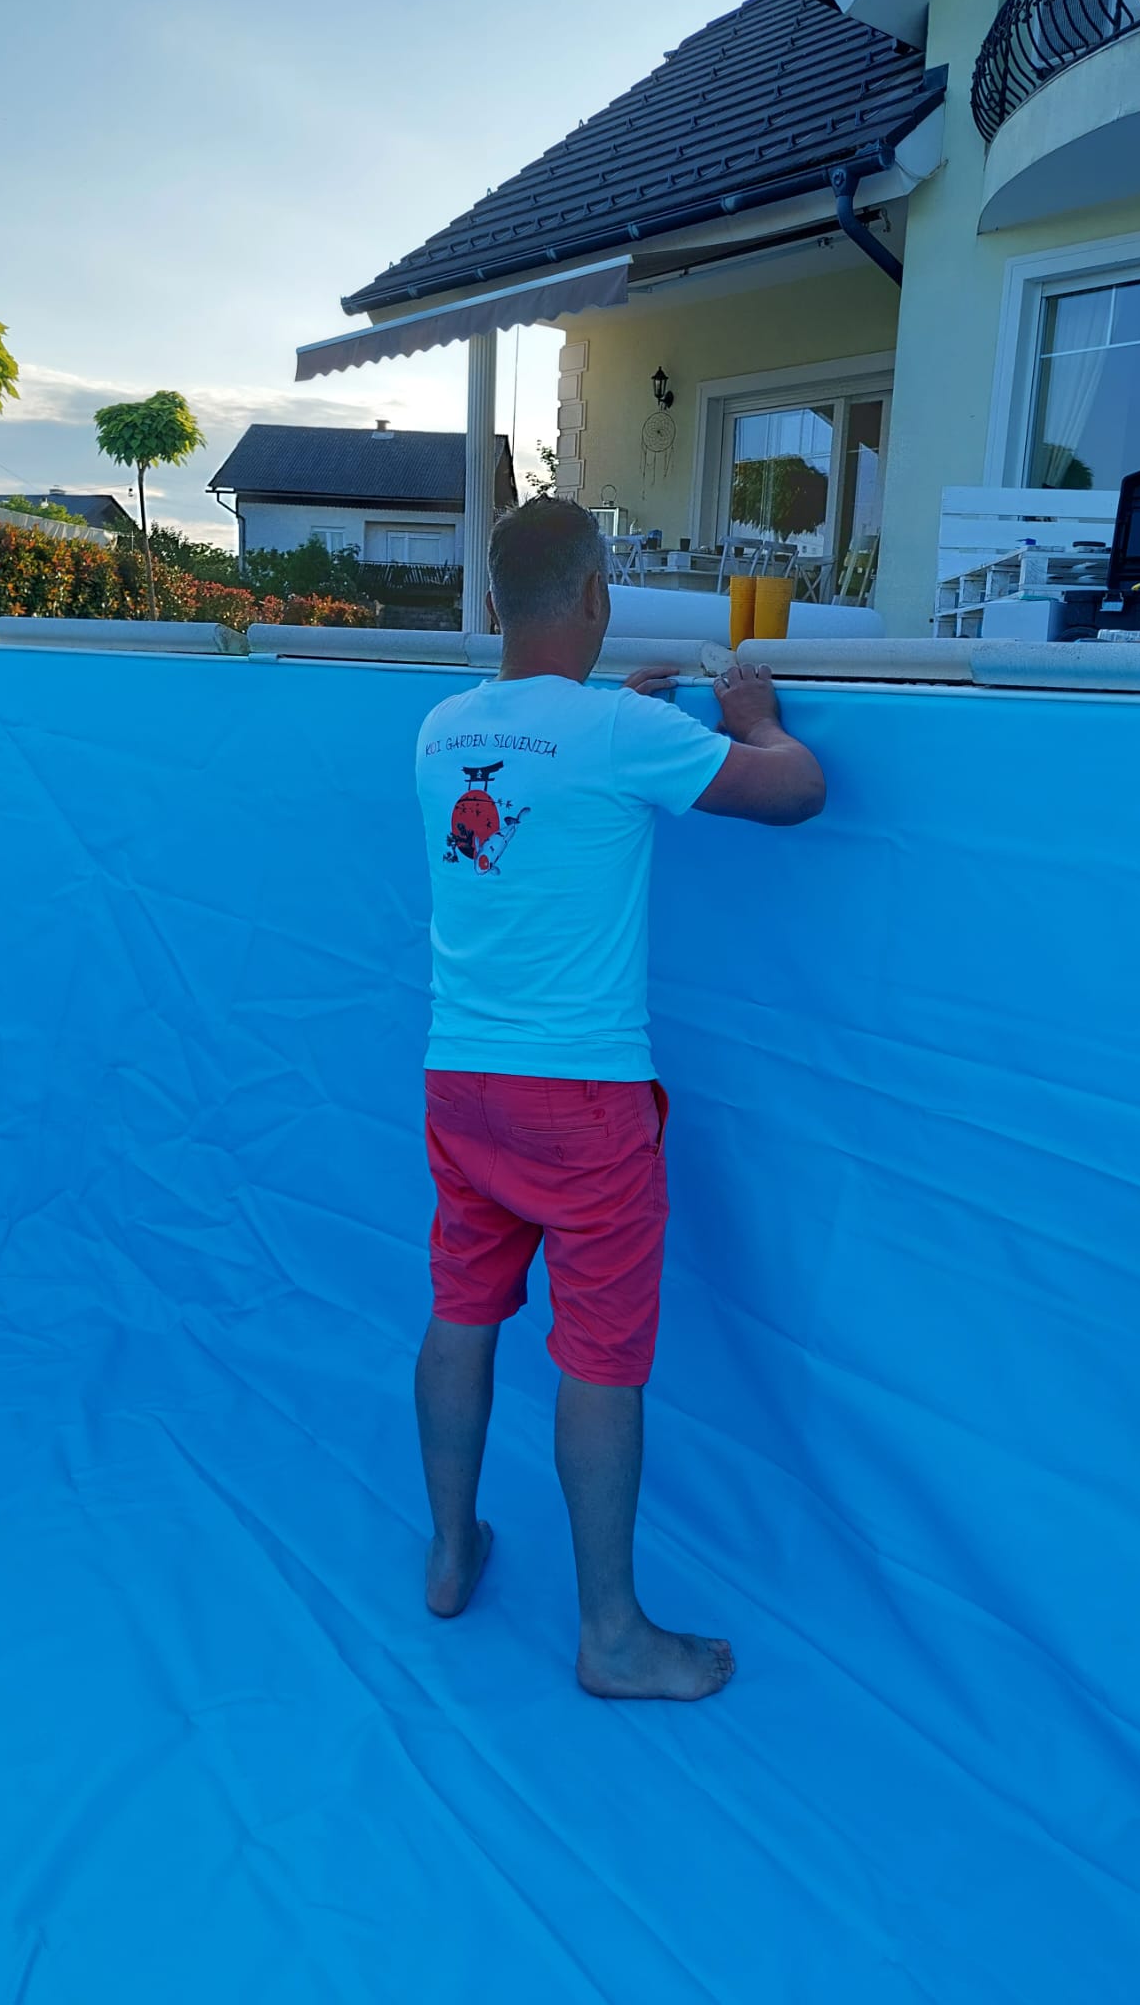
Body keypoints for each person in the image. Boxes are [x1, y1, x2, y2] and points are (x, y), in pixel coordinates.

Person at [413, 498, 825, 1701]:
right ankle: (611, 1634)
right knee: (598, 1354)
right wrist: (757, 720)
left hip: (459, 1081)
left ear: (496, 603)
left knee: (461, 1309)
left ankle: (450, 1553)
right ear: (598, 595)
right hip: (581, 1101)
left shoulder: (440, 730)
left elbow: (539, 769)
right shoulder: (615, 734)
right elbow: (794, 790)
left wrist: (621, 715)